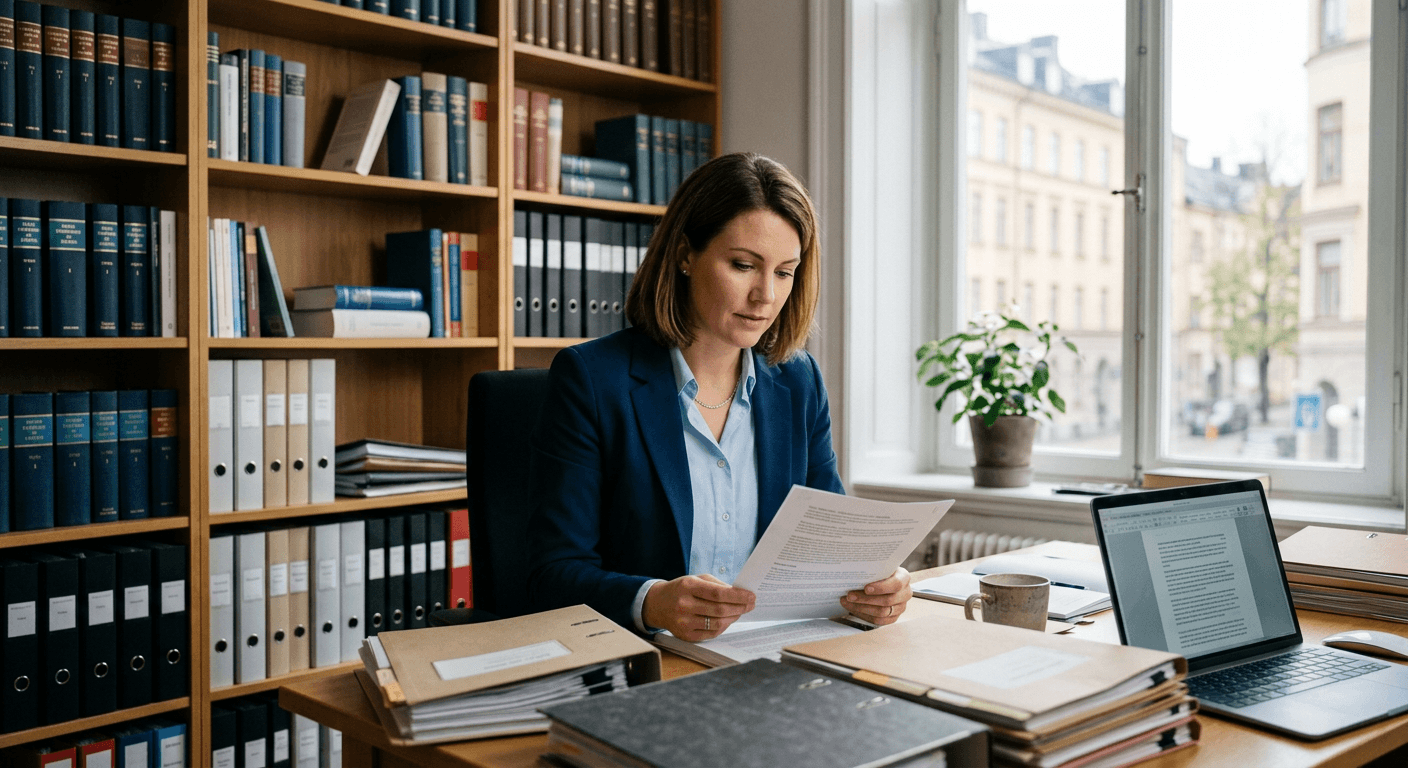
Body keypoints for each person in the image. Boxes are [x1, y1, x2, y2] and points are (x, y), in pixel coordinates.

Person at [527, 152, 911, 642]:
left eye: (784, 272)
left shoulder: (798, 382)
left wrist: (875, 584)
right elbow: (550, 573)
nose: (765, 296)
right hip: (648, 660)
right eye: (744, 265)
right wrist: (653, 601)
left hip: (771, 657)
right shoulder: (592, 380)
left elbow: (829, 545)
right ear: (686, 255)